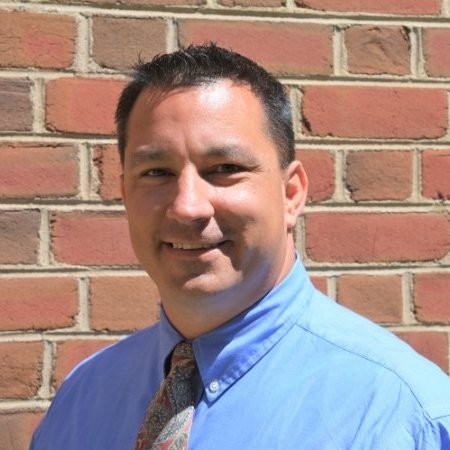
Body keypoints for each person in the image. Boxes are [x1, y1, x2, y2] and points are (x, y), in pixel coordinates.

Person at [31, 44, 450, 450]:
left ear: (291, 194)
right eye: (157, 172)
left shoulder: (404, 417)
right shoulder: (81, 401)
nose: (187, 207)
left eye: (225, 168)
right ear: (125, 194)